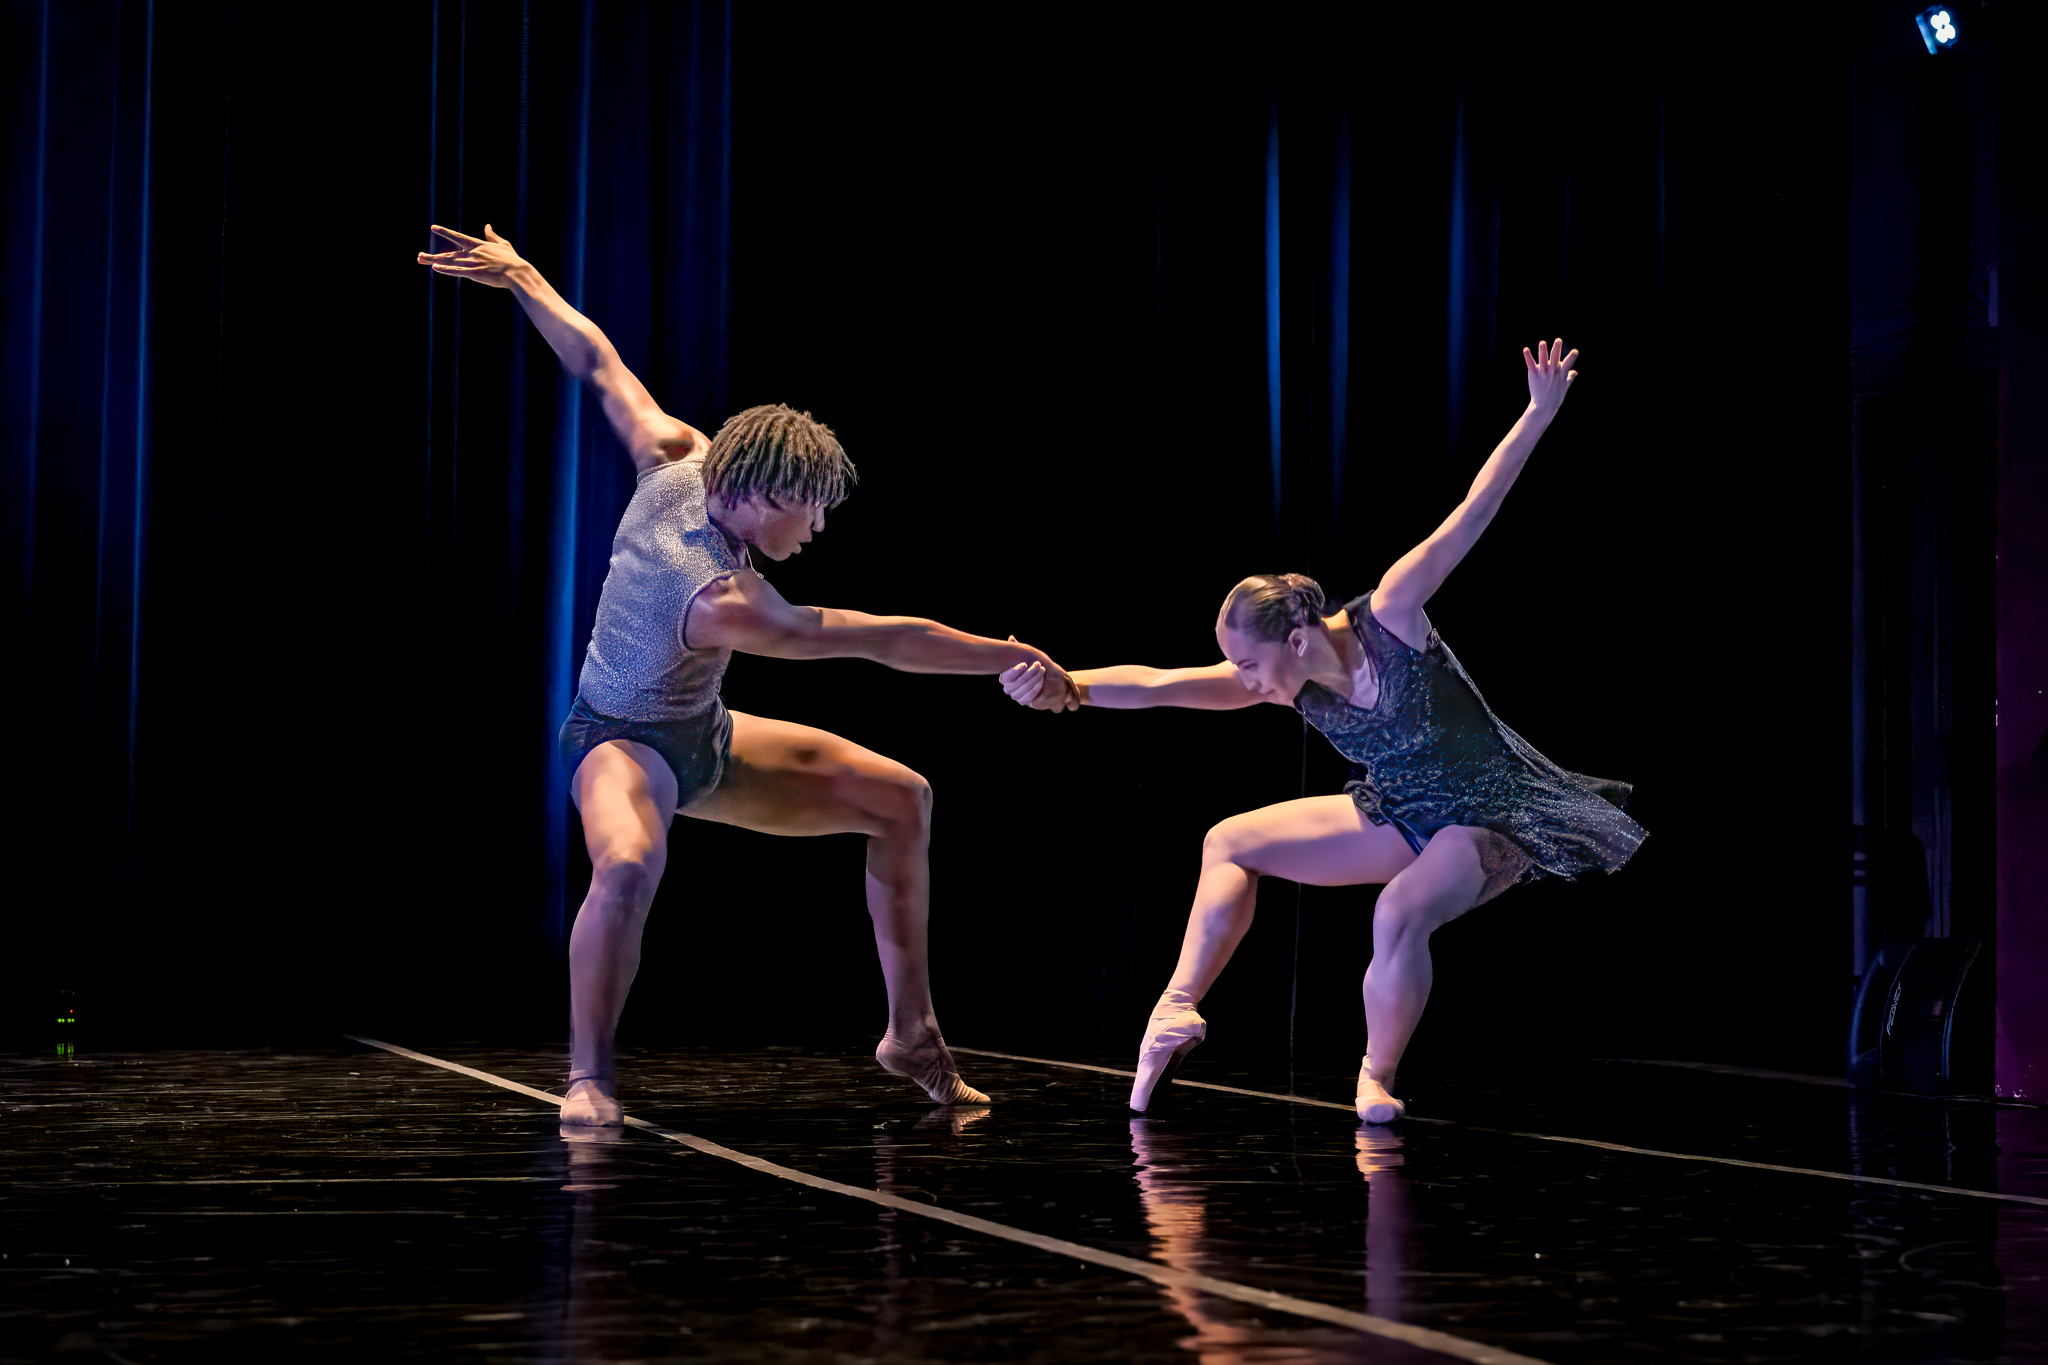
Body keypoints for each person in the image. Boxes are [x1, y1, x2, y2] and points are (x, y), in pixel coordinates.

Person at [418, 223, 1076, 1125]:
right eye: (809, 512)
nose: (814, 531)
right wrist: (1006, 654)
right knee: (628, 863)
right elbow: (886, 638)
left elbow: (601, 362)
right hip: (619, 739)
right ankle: (588, 1076)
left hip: (707, 737)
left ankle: (910, 1033)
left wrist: (524, 275)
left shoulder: (679, 450)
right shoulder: (729, 600)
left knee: (902, 797)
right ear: (761, 494)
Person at [1000, 339, 1645, 1122]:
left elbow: (1470, 514)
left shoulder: (1393, 614)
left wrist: (1537, 414)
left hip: (1489, 817)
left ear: (1296, 639)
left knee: (1398, 911)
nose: (1241, 678)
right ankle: (1174, 1008)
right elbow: (1162, 685)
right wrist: (1067, 686)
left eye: (1246, 662)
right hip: (1401, 813)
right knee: (1229, 839)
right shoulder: (1290, 684)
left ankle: (1375, 1075)